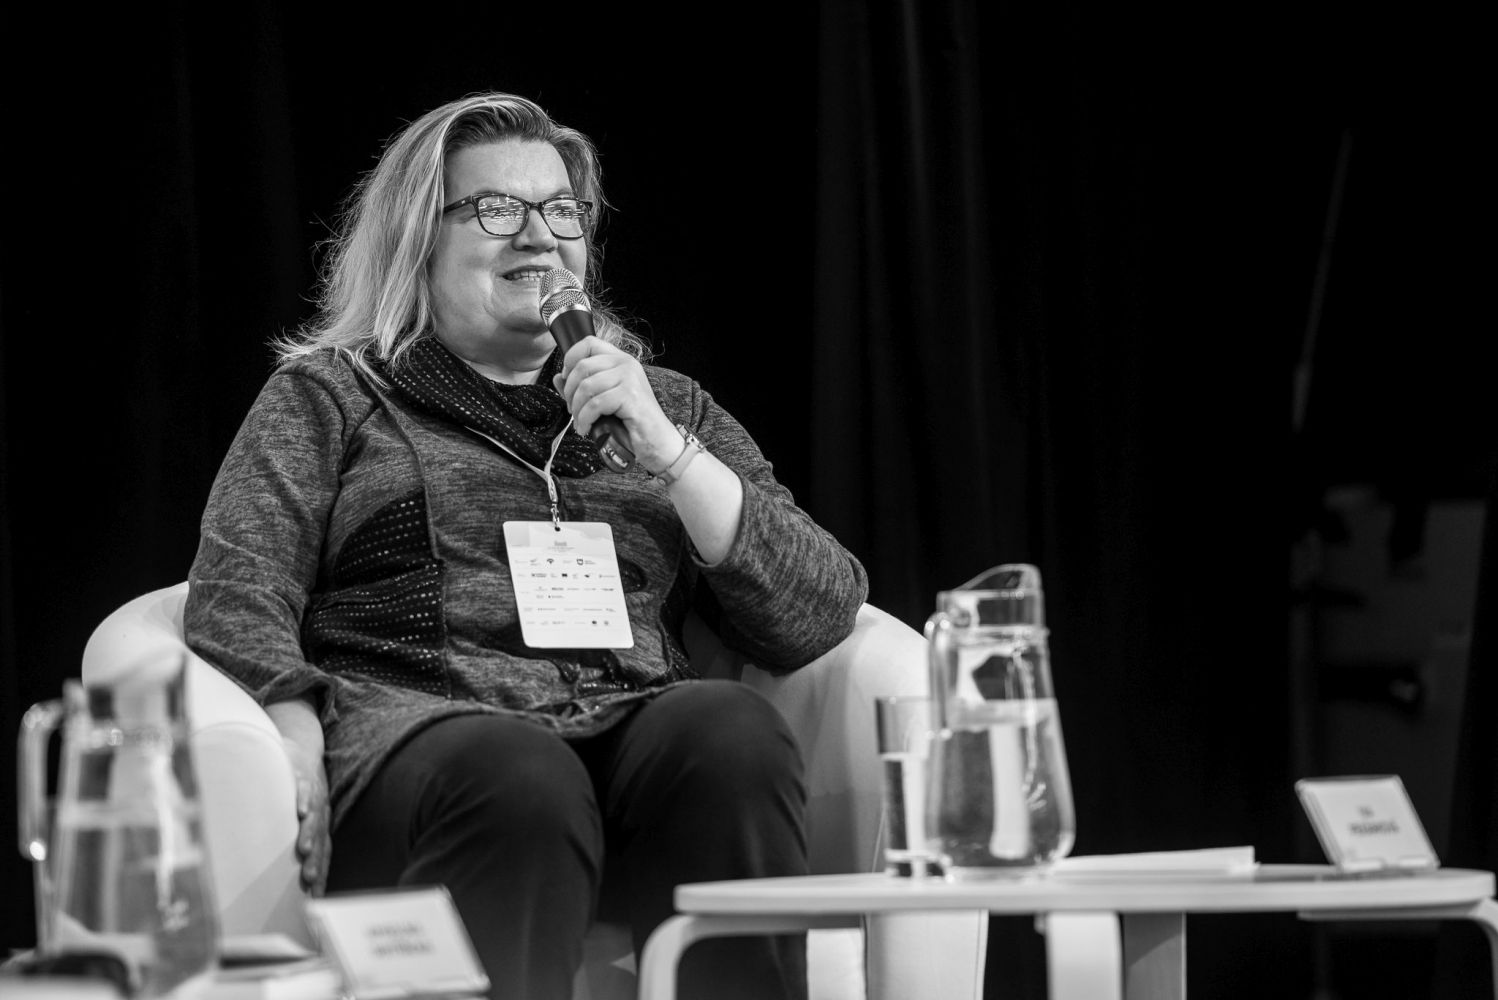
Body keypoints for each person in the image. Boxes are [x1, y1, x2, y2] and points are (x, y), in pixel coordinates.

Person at [184, 92, 868, 1000]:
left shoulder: (664, 405)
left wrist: (668, 453)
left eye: (560, 211)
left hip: (625, 735)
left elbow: (820, 610)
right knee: (521, 773)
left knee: (731, 732)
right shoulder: (334, 397)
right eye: (497, 209)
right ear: (418, 240)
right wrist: (291, 719)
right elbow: (238, 585)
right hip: (424, 751)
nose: (539, 237)